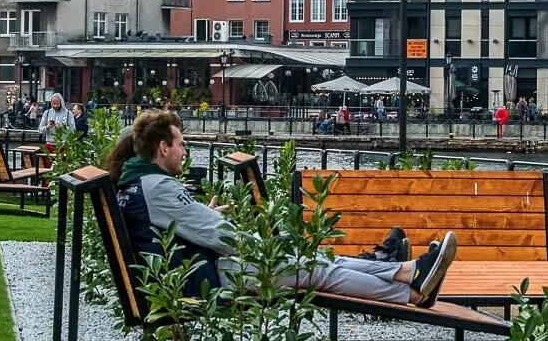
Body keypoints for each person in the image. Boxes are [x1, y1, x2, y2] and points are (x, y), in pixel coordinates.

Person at [108, 110, 458, 306]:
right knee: (322, 272)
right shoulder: (157, 188)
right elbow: (220, 237)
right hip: (209, 277)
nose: (185, 151)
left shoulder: (140, 185)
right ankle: (409, 290)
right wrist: (272, 247)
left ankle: (408, 271)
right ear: (164, 148)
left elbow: (193, 226)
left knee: (321, 263)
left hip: (202, 270)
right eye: (181, 144)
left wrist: (204, 214)